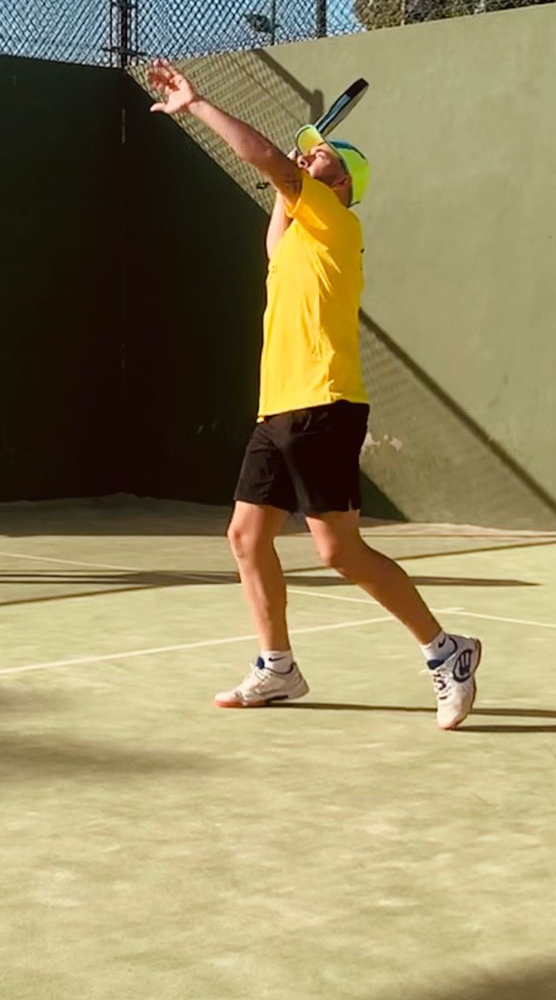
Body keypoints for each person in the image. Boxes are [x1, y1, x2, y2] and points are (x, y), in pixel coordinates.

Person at [147, 59, 482, 730]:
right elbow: (276, 219)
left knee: (339, 552)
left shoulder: (336, 223)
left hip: (324, 404)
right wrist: (288, 177)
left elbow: (269, 161)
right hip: (277, 409)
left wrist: (199, 104)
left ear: (342, 183)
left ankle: (448, 652)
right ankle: (278, 667)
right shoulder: (299, 236)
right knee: (246, 537)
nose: (312, 157)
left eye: (324, 156)